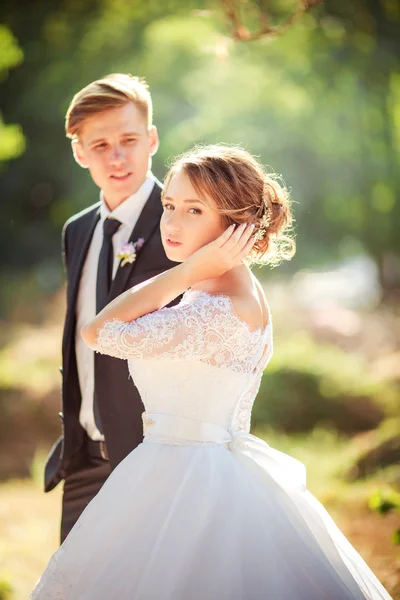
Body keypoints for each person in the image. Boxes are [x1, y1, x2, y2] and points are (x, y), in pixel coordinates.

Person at [32, 145, 392, 599]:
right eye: (169, 206)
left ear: (234, 225)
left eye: (194, 210)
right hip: (175, 470)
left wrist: (188, 271)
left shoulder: (221, 308)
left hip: (192, 483)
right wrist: (194, 272)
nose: (172, 222)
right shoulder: (220, 291)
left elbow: (99, 331)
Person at [44, 73, 178, 542]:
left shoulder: (185, 223)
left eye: (128, 140)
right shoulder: (76, 230)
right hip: (82, 455)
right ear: (80, 152)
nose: (117, 157)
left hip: (154, 457)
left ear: (152, 140)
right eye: (99, 145)